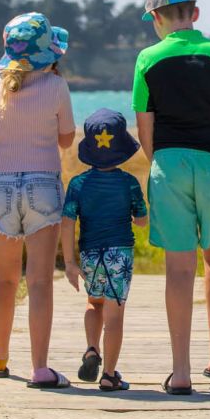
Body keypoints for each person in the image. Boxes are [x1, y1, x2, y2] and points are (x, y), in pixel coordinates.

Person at [132, 0, 210, 395]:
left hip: (169, 163)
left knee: (179, 269)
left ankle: (180, 372)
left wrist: (163, 164)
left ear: (156, 19)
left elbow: (144, 128)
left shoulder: (147, 59)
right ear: (195, 14)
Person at [0, 12, 76, 389]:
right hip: (43, 186)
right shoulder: (57, 87)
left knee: (5, 280)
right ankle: (41, 368)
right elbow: (65, 140)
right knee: (40, 281)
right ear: (49, 52)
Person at [60, 109, 148, 391]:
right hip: (119, 255)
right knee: (115, 315)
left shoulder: (78, 184)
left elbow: (67, 223)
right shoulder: (129, 183)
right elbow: (142, 220)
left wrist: (70, 263)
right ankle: (109, 374)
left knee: (93, 303)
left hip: (89, 254)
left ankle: (91, 348)